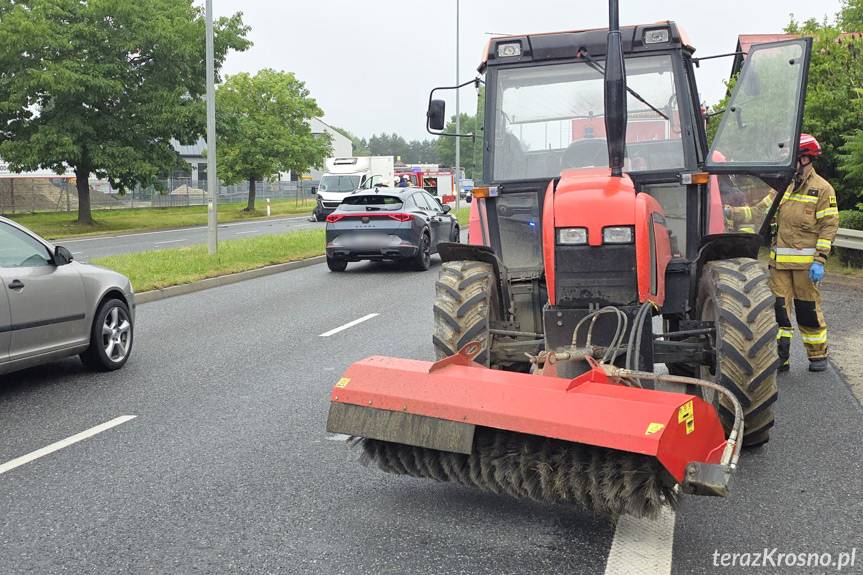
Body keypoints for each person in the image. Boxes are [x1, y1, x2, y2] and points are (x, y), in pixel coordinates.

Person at [769, 134, 839, 373]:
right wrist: (732, 211)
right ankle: (781, 357)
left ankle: (818, 355)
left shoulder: (822, 189)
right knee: (779, 311)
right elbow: (763, 210)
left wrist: (820, 259)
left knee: (807, 311)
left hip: (805, 266)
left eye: (793, 158)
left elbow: (829, 226)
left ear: (805, 158)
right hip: (779, 265)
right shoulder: (784, 186)